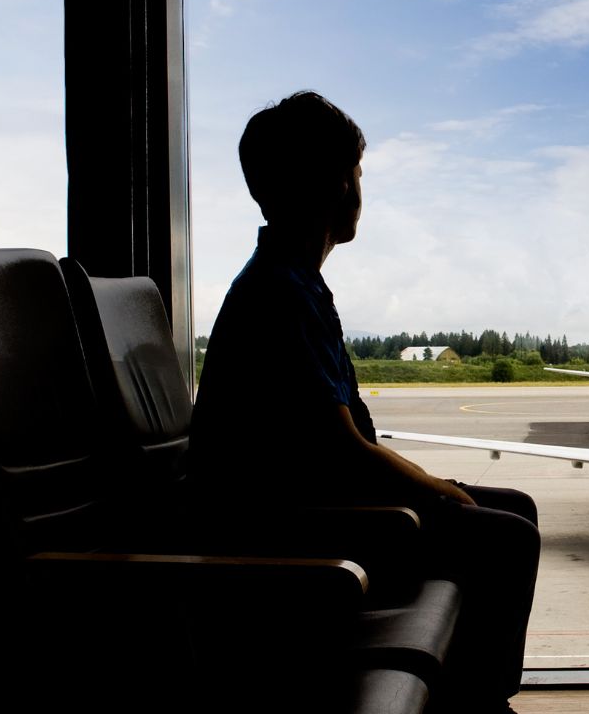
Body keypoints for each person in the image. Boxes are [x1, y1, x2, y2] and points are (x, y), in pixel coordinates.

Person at [189, 91, 539, 713]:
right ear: (331, 187)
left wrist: (435, 486)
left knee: (514, 507)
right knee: (507, 538)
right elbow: (342, 450)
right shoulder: (280, 295)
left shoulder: (289, 282)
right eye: (355, 174)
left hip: (313, 504)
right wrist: (437, 490)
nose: (359, 190)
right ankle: (479, 707)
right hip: (296, 529)